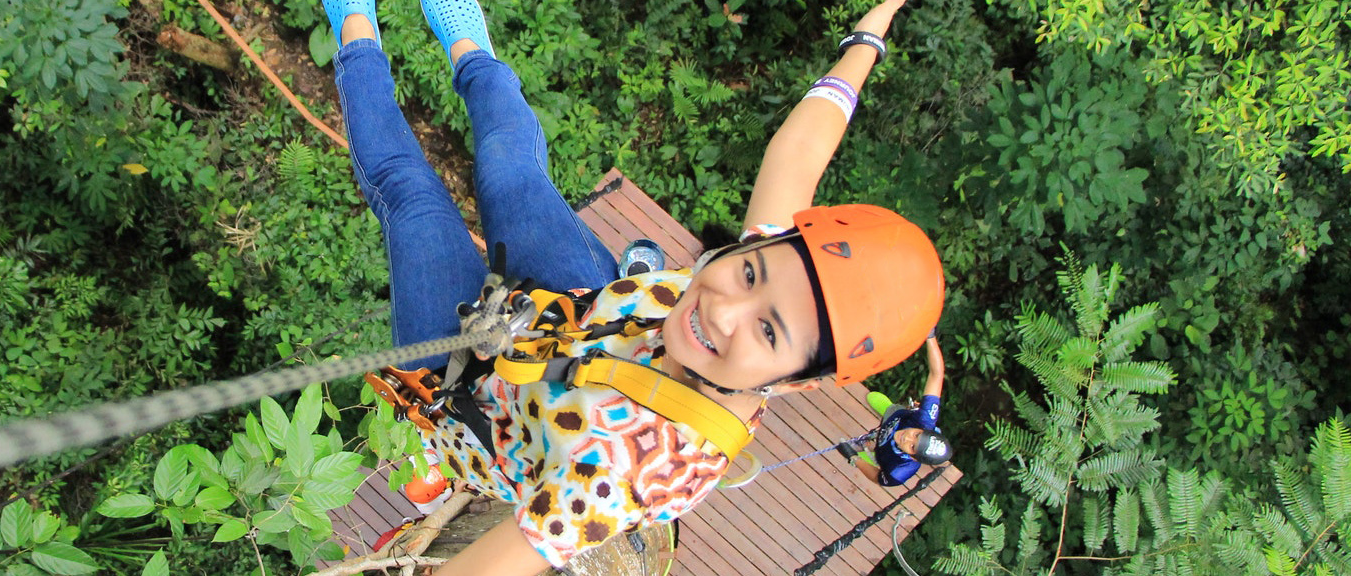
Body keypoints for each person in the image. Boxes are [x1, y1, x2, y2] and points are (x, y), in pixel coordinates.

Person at [323, 0, 937, 572]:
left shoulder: (631, 469)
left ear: (800, 377)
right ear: (757, 247)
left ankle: (353, 25)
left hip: (476, 399)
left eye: (768, 329)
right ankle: (471, 51)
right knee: (511, 170)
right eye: (749, 271)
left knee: (412, 199)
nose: (726, 308)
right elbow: (800, 150)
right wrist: (869, 36)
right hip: (579, 307)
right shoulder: (771, 277)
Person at [840, 337, 952, 487]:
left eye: (912, 447)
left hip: (884, 453)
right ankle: (885, 408)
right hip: (896, 417)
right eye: (917, 434)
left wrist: (854, 459)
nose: (907, 438)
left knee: (878, 453)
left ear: (915, 459)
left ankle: (871, 447)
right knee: (891, 410)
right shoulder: (926, 419)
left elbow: (877, 477)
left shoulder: (899, 471)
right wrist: (930, 337)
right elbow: (936, 375)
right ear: (924, 429)